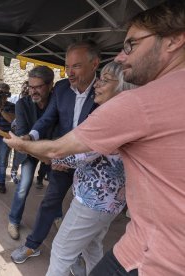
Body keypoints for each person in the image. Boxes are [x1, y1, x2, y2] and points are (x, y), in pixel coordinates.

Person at [5, 2, 185, 275]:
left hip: (128, 228)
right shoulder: (66, 90)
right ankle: (43, 247)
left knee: (63, 250)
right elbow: (49, 122)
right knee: (89, 242)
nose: (123, 57)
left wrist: (23, 145)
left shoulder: (134, 103)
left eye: (131, 45)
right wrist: (33, 135)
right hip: (120, 214)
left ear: (173, 41)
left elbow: (62, 150)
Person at [9, 40, 100, 264]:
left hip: (93, 163)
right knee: (50, 202)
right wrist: (31, 136)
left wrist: (69, 158)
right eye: (67, 66)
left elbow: (100, 136)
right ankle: (32, 245)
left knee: (85, 213)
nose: (69, 72)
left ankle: (77, 257)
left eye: (76, 66)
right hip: (63, 157)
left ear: (95, 64)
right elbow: (48, 118)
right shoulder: (61, 88)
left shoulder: (105, 90)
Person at [46, 61, 137, 276]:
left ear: (123, 86)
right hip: (109, 203)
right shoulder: (126, 116)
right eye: (99, 78)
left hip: (94, 201)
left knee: (61, 251)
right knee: (92, 246)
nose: (96, 84)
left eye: (105, 80)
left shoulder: (113, 117)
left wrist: (50, 154)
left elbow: (82, 152)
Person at [7, 66, 54, 240]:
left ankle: (56, 216)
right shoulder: (22, 104)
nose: (32, 91)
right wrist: (39, 151)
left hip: (52, 148)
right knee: (23, 186)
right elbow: (22, 136)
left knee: (55, 188)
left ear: (50, 85)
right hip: (29, 150)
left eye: (38, 87)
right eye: (30, 86)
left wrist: (49, 153)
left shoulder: (56, 101)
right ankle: (13, 220)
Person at [10, 81, 30, 185]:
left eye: (28, 87)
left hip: (25, 131)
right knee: (14, 153)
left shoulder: (30, 101)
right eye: (24, 86)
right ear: (21, 87)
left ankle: (19, 174)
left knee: (22, 153)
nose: (26, 89)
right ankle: (13, 171)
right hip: (13, 130)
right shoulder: (13, 98)